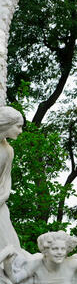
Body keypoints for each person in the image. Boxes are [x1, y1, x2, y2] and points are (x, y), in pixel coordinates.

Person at [0, 106, 23, 251]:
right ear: (7, 123)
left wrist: (5, 194)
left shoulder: (8, 150)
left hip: (0, 201)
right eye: (18, 126)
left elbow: (6, 178)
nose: (20, 131)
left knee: (10, 243)